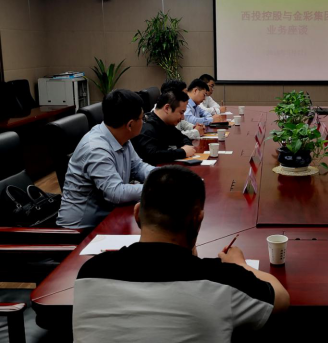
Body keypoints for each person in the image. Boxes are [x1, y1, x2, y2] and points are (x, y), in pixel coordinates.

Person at [73, 166, 290, 342]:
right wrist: (239, 264)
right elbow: (281, 298)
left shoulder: (90, 272)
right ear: (198, 219)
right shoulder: (221, 279)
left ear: (137, 213)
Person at [57, 89, 155, 229]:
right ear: (130, 125)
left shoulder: (121, 136)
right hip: (82, 230)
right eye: (142, 118)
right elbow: (116, 192)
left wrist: (164, 177)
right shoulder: (96, 148)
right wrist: (156, 187)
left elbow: (138, 167)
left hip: (109, 216)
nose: (144, 122)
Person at [131, 91, 196, 165]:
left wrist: (187, 147)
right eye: (181, 112)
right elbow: (152, 156)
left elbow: (182, 138)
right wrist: (182, 152)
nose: (183, 117)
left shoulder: (166, 123)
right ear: (167, 108)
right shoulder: (146, 127)